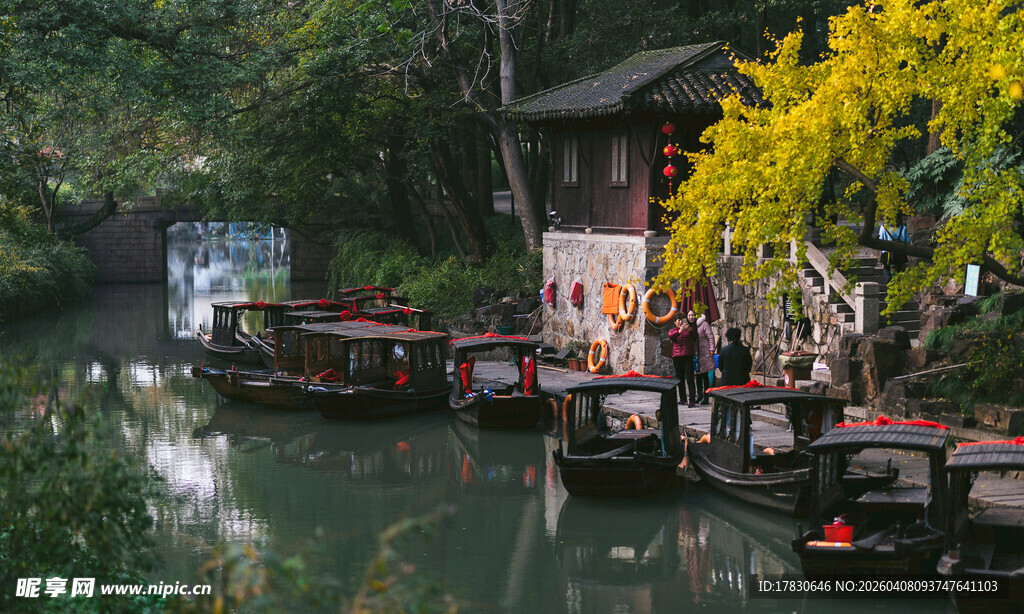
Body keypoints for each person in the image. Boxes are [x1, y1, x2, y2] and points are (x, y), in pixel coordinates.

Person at [668, 311, 700, 407]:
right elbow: (671, 336)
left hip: (687, 356)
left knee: (690, 379)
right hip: (677, 357)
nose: (680, 322)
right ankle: (682, 399)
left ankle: (692, 400)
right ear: (675, 322)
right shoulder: (673, 331)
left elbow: (695, 335)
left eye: (682, 320)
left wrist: (689, 329)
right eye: (678, 320)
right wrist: (679, 331)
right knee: (680, 379)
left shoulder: (690, 330)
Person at [878, 216, 909, 283]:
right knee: (900, 269)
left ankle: (889, 281)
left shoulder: (883, 227)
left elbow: (881, 239)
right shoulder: (903, 227)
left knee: (886, 268)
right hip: (900, 252)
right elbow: (908, 241)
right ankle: (900, 283)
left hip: (887, 252)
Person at [694, 313, 716, 404]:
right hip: (695, 352)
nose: (691, 317)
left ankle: (706, 396)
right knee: (697, 374)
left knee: (704, 374)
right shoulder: (690, 325)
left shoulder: (704, 324)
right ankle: (699, 394)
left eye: (693, 315)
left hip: (704, 351)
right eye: (689, 315)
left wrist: (711, 348)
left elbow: (710, 337)